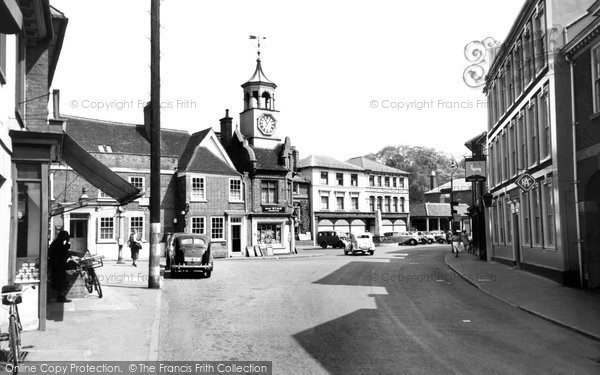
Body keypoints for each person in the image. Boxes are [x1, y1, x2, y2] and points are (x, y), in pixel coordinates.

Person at [48, 230, 71, 303]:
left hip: (57, 264)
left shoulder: (57, 241)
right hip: (58, 265)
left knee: (60, 281)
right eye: (66, 236)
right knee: (61, 281)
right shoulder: (59, 242)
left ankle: (60, 296)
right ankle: (60, 297)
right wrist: (67, 243)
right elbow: (62, 252)